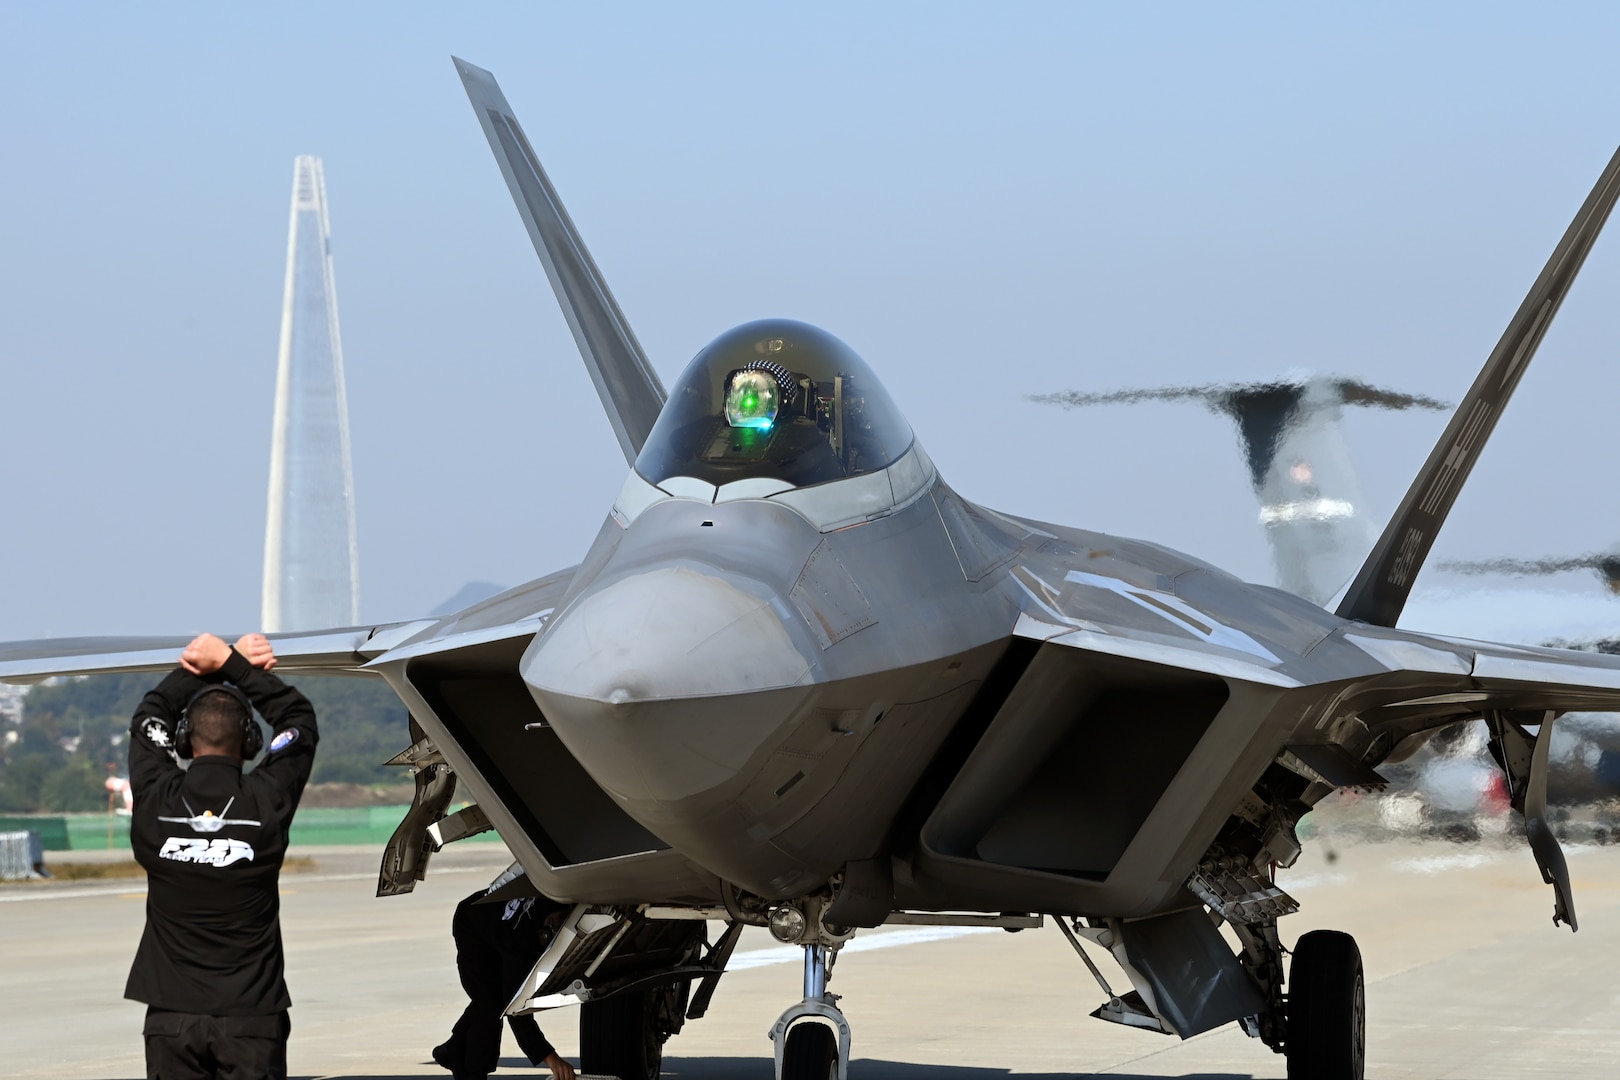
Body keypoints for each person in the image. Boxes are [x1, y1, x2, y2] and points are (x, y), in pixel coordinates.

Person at [124, 632, 318, 1080]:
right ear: (250, 741)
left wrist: (206, 666)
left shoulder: (158, 800)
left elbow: (148, 718)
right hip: (251, 1018)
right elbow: (298, 721)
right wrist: (236, 667)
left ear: (187, 740)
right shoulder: (265, 801)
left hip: (171, 1018)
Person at [433, 875, 576, 1080]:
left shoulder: (564, 902)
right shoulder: (524, 942)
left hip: (495, 928)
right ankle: (473, 1072)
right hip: (471, 924)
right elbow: (516, 1009)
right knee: (491, 1006)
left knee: (492, 1000)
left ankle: (453, 1049)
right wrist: (552, 1059)